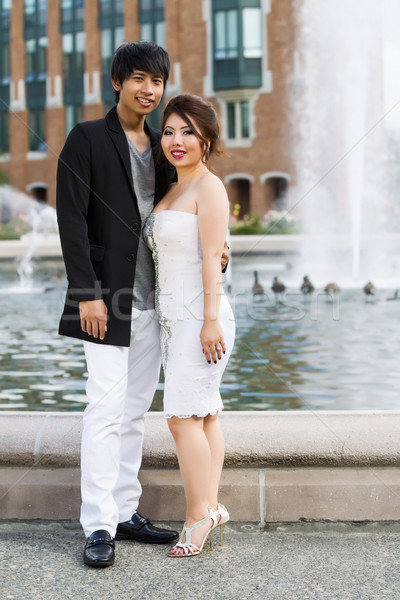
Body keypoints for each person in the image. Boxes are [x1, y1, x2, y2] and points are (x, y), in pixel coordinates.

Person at [57, 41, 180, 568]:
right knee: (104, 410)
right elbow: (72, 222)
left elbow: (180, 213)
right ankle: (98, 524)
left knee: (133, 413)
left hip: (155, 302)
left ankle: (126, 512)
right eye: (138, 79)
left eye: (156, 81)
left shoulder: (161, 146)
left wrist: (218, 245)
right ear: (117, 82)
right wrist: (87, 294)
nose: (148, 89)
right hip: (106, 300)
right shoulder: (86, 138)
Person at [144, 94, 235, 557]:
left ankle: (198, 516)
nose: (177, 141)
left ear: (207, 139)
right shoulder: (172, 187)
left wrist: (210, 321)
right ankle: (211, 508)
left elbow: (211, 261)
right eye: (169, 131)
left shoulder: (209, 187)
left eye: (187, 132)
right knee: (204, 415)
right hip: (173, 320)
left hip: (201, 319)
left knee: (181, 419)